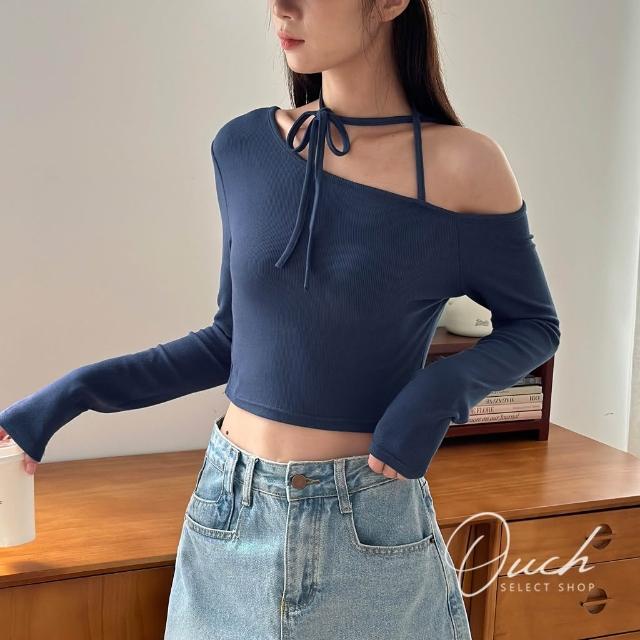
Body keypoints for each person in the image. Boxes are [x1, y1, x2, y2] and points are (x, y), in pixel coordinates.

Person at [0, 0, 561, 638]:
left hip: (367, 525)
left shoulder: (463, 165)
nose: (280, 7)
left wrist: (435, 396)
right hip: (229, 513)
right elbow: (228, 342)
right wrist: (67, 396)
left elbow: (534, 324)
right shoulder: (242, 147)